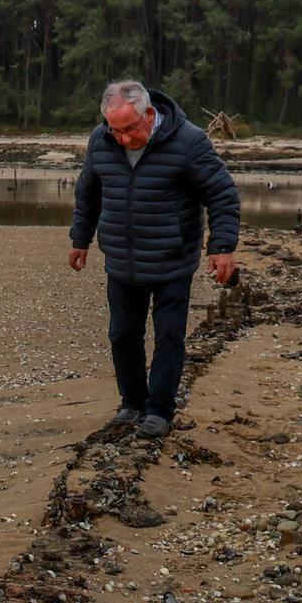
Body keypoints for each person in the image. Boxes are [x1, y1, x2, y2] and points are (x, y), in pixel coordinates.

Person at [69, 80, 240, 437]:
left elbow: (221, 194)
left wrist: (222, 247)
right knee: (122, 335)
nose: (123, 139)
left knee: (168, 336)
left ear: (150, 114)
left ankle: (160, 410)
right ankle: (132, 403)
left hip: (171, 261)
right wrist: (80, 240)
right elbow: (88, 194)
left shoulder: (189, 141)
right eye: (115, 130)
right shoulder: (102, 141)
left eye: (130, 130)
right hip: (121, 260)